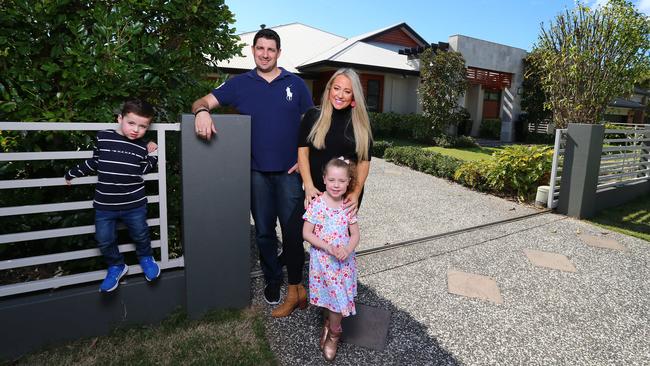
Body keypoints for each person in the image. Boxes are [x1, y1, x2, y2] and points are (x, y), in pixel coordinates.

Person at [190, 28, 313, 305]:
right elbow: (202, 101)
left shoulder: (295, 84)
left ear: (279, 53)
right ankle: (272, 279)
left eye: (271, 49)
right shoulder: (239, 84)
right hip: (256, 173)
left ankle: (296, 283)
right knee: (264, 232)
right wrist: (202, 112)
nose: (265, 54)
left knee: (293, 233)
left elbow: (312, 126)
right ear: (253, 50)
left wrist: (304, 160)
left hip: (289, 173)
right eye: (260, 48)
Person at [271, 68, 372, 318]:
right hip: (315, 191)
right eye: (336, 88)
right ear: (329, 90)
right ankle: (296, 291)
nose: (340, 94)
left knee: (337, 245)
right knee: (294, 234)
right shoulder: (314, 116)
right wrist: (308, 185)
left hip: (344, 194)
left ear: (353, 96)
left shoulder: (360, 122)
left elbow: (364, 161)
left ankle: (334, 303)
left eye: (347, 91)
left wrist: (356, 192)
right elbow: (302, 152)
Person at [64, 98, 161, 293]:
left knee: (141, 234)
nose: (136, 129)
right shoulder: (104, 137)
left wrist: (154, 154)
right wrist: (73, 173)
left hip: (134, 204)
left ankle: (146, 258)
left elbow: (144, 168)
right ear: (120, 119)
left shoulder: (142, 147)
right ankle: (116, 266)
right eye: (131, 123)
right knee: (104, 239)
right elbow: (95, 162)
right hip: (104, 205)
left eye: (143, 126)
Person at [302, 158, 360, 362]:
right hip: (323, 262)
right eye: (332, 179)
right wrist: (327, 247)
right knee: (331, 298)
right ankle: (329, 324)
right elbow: (306, 233)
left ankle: (334, 333)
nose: (336, 185)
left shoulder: (348, 206)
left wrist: (347, 249)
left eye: (341, 181)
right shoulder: (317, 204)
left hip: (342, 264)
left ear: (348, 182)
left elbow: (355, 235)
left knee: (337, 303)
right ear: (324, 179)